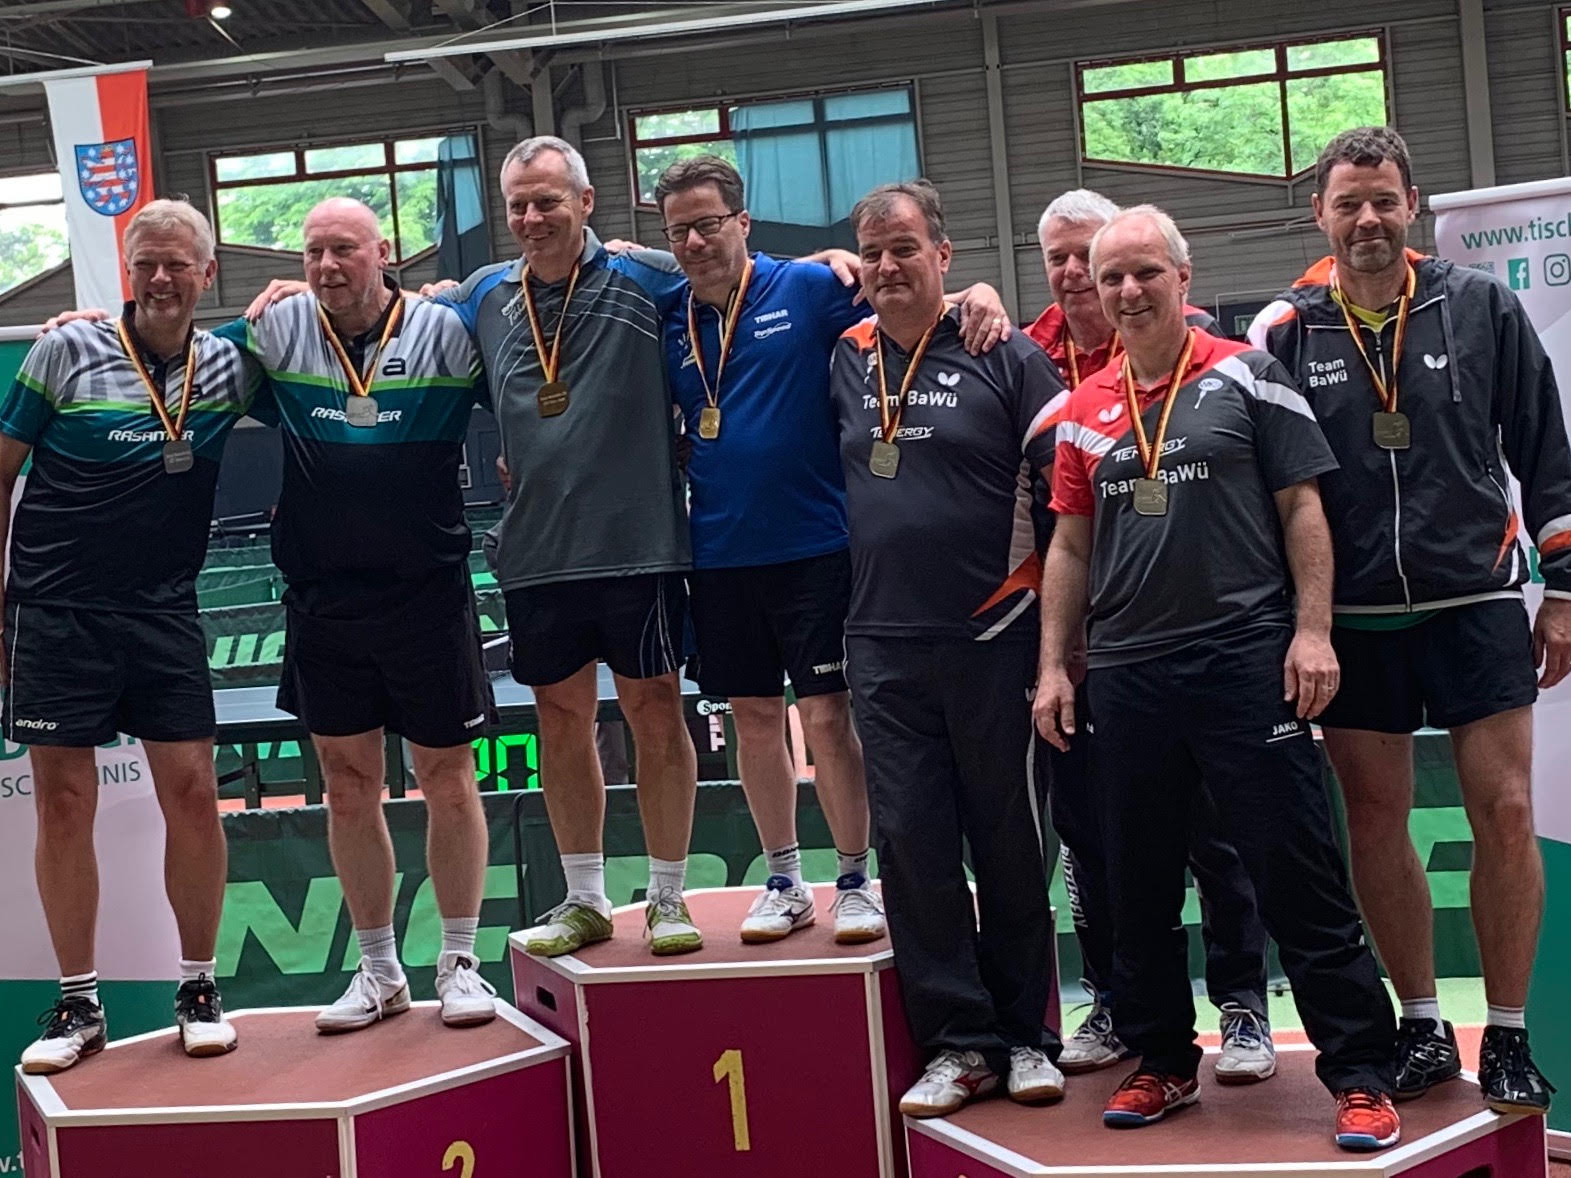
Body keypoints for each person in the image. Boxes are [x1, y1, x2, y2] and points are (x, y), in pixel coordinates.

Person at [56, 199, 502, 1033]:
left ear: (383, 252)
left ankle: (460, 962)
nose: (327, 265)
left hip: (429, 593)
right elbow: (166, 346)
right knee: (348, 783)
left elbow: (520, 347)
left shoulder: (446, 329)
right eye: (313, 252)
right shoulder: (274, 330)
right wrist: (89, 329)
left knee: (447, 777)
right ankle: (379, 970)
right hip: (324, 598)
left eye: (344, 249)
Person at [1035, 205, 1401, 1151]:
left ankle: (1360, 1071)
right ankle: (1161, 1060)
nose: (1127, 291)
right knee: (1137, 886)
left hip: (1243, 661)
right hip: (1126, 674)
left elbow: (1303, 508)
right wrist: (1052, 667)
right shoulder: (1082, 410)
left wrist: (1311, 633)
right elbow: (1068, 547)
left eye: (1145, 272)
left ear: (1182, 278)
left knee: (1296, 873)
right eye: (1111, 277)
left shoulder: (1249, 374)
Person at [1250, 125, 1570, 1115]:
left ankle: (1506, 1034)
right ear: (1318, 213)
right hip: (1349, 617)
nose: (1367, 220)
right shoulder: (1287, 330)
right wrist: (1290, 620)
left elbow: (1544, 449)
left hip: (1474, 599)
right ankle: (1423, 1023)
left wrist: (1562, 588)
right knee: (1375, 819)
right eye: (1347, 203)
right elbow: (1268, 489)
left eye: (1382, 200)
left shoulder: (1478, 305)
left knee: (1504, 811)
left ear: (1411, 205)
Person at [645, 154, 1012, 945]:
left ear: (743, 222)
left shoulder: (809, 288)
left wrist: (979, 292)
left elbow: (906, 291)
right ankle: (782, 879)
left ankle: (853, 878)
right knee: (751, 718)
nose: (695, 242)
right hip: (719, 552)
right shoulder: (669, 315)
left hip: (817, 544)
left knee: (824, 714)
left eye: (708, 224)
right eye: (678, 231)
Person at [3, 200, 256, 1072]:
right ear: (126, 269)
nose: (160, 278)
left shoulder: (231, 365)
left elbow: (326, 337)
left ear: (207, 273)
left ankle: (199, 988)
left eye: (177, 263)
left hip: (162, 613)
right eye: (145, 262)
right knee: (63, 804)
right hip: (55, 612)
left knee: (192, 792)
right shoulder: (65, 349)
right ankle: (78, 1003)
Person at [1028, 188, 1275, 1081]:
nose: (1078, 273)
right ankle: (1116, 1005)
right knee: (1104, 847)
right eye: (1059, 258)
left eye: (1089, 254)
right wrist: (1056, 655)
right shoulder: (1019, 355)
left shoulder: (1210, 355)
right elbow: (1064, 534)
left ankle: (1243, 1004)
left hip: (1208, 642)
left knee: (1218, 836)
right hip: (1093, 651)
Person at [832, 180, 1065, 1117]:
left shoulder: (1005, 353)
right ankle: (959, 1045)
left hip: (996, 635)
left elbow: (1067, 505)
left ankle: (1027, 1036)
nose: (887, 265)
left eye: (905, 248)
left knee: (1008, 843)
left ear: (943, 254)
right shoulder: (844, 355)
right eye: (872, 252)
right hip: (881, 642)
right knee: (912, 847)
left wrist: (1059, 645)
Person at [440, 136, 704, 958]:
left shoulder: (648, 277)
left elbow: (739, 274)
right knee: (561, 721)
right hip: (538, 549)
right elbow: (392, 315)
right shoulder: (484, 295)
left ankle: (666, 895)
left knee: (654, 710)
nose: (531, 218)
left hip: (638, 543)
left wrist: (840, 260)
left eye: (548, 201)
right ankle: (584, 896)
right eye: (517, 205)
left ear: (585, 202)